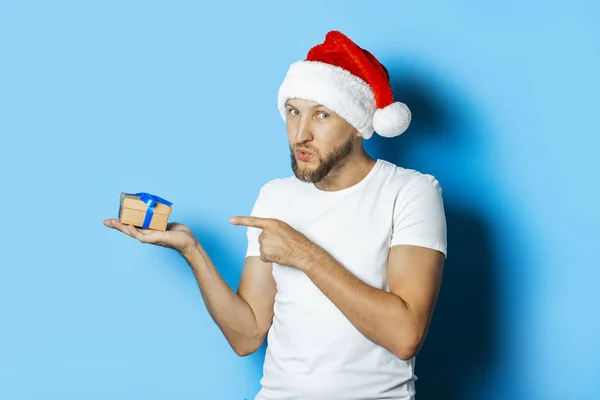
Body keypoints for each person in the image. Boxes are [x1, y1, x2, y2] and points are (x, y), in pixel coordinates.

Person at [104, 30, 447, 400]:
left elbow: (405, 336)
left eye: (322, 115)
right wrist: (192, 250)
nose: (301, 134)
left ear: (357, 123)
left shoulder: (410, 192)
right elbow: (247, 334)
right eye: (294, 112)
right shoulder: (276, 196)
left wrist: (302, 253)